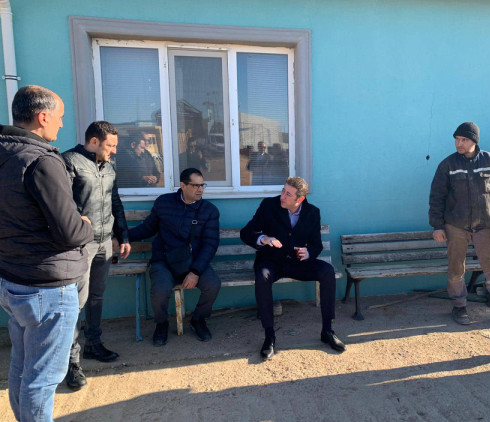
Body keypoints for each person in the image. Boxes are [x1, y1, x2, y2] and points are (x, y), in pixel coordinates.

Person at [0, 85, 94, 422]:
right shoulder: (41, 160)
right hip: (47, 287)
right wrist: (86, 225)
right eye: (60, 117)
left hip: (13, 279)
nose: (61, 124)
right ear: (42, 117)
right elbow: (70, 230)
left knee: (23, 364)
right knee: (44, 376)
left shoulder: (6, 154)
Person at [429, 122, 490, 329]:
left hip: (486, 225)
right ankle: (459, 307)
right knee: (456, 268)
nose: (459, 143)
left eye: (463, 140)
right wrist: (437, 226)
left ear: (474, 141)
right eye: (457, 139)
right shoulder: (448, 165)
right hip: (456, 226)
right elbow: (437, 197)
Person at [240, 177, 346, 360]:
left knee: (327, 271)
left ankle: (327, 330)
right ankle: (269, 336)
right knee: (262, 276)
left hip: (298, 263)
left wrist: (308, 252)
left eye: (288, 194)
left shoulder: (312, 212)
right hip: (271, 261)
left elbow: (316, 244)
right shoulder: (269, 205)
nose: (282, 196)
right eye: (283, 191)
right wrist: (264, 239)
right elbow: (246, 233)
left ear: (300, 199)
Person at [62, 121, 131, 390]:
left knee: (97, 296)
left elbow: (115, 202)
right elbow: (61, 204)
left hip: (105, 242)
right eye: (110, 145)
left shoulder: (109, 167)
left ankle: (93, 343)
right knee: (75, 303)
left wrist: (123, 236)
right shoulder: (69, 162)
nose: (114, 151)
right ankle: (72, 362)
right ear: (94, 141)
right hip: (80, 246)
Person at [128, 168, 221, 346]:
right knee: (160, 290)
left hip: (193, 262)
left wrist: (195, 272)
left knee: (213, 284)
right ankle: (161, 324)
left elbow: (210, 244)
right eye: (195, 185)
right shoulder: (164, 203)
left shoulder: (209, 211)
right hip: (164, 261)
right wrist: (124, 237)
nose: (200, 189)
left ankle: (198, 319)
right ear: (183, 185)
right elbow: (148, 228)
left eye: (202, 185)